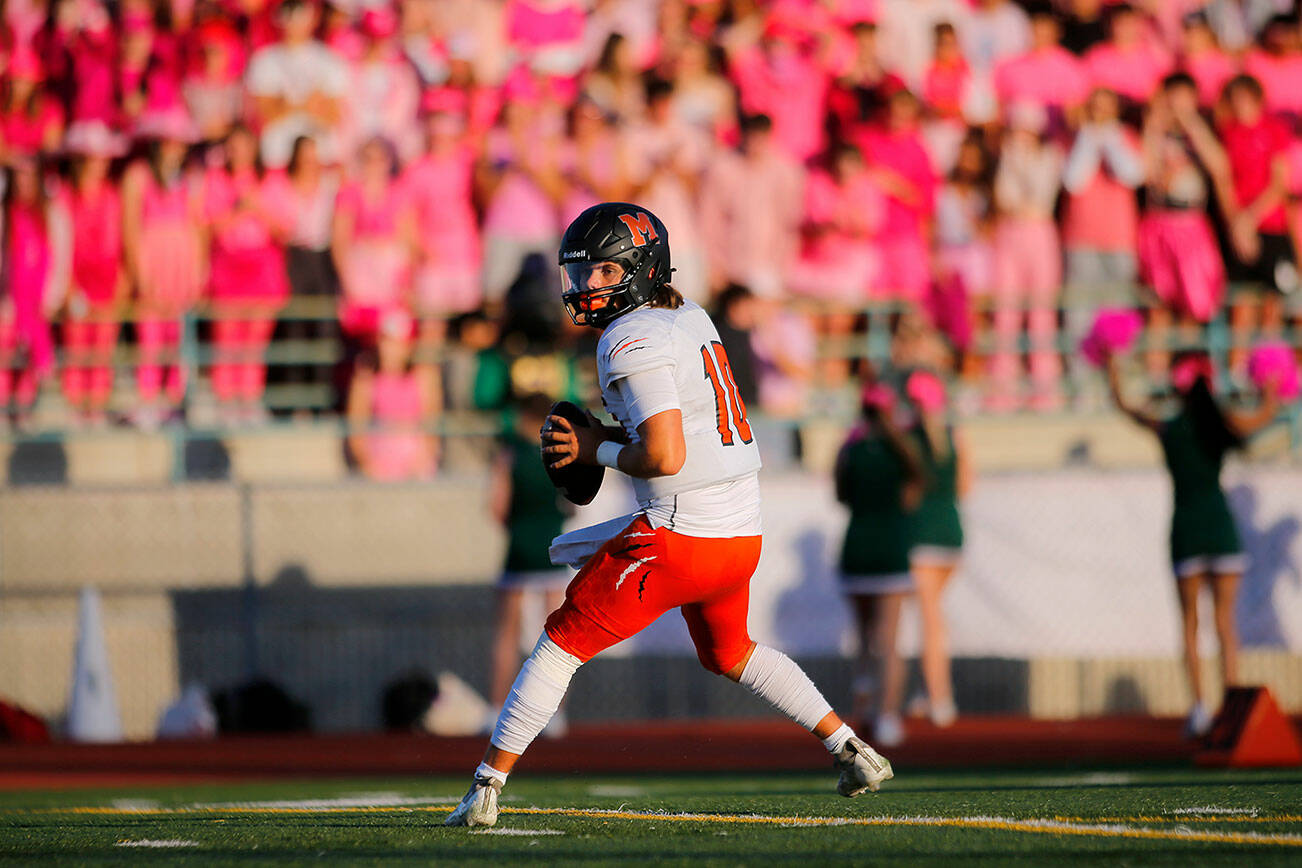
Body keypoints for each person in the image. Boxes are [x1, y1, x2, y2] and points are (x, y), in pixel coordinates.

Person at [445, 202, 893, 828]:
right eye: (580, 274)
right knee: (730, 652)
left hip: (683, 534)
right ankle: (850, 747)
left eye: (602, 272)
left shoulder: (631, 338)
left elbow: (664, 453)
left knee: (559, 641)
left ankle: (485, 788)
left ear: (637, 268)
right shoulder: (686, 316)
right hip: (740, 534)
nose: (585, 287)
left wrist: (594, 447)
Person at [1107, 351, 1281, 737]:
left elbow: (1124, 407)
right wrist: (1271, 388)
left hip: (1186, 530)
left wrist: (1112, 367)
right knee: (1224, 624)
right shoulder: (1221, 425)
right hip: (1219, 529)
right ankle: (1232, 706)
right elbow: (1263, 417)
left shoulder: (1169, 428)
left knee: (1190, 623)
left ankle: (1200, 709)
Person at [835, 379, 925, 748]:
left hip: (856, 548)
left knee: (863, 638)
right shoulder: (903, 450)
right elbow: (912, 495)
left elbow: (841, 495)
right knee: (889, 642)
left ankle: (865, 704)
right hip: (890, 550)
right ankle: (887, 717)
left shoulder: (850, 449)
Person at [486, 393, 573, 731]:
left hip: (519, 550)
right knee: (558, 639)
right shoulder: (559, 455)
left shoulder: (510, 455)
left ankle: (497, 710)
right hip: (553, 548)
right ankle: (555, 715)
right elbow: (572, 504)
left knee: (506, 635)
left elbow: (497, 507)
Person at [904, 368, 970, 729]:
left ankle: (941, 699)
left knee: (930, 623)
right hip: (951, 535)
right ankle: (926, 691)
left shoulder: (908, 440)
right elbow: (964, 485)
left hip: (921, 538)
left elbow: (906, 495)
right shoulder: (955, 436)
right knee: (932, 618)